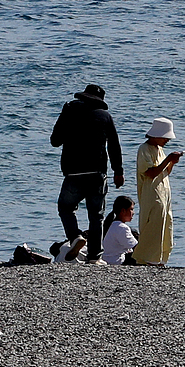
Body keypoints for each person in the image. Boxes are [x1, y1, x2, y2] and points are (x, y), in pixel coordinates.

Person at [50, 84, 124, 260]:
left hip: (73, 172)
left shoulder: (70, 112)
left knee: (65, 208)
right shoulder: (105, 116)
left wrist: (66, 118)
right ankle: (94, 256)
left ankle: (75, 237)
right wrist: (118, 171)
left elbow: (55, 140)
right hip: (97, 173)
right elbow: (114, 145)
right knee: (96, 216)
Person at [132, 117, 182, 266]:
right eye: (165, 137)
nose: (167, 141)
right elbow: (150, 173)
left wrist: (172, 162)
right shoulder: (144, 149)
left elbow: (165, 172)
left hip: (164, 192)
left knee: (166, 224)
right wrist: (168, 160)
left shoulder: (159, 149)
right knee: (153, 224)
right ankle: (148, 258)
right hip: (152, 193)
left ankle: (160, 258)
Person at [102, 196, 138, 265]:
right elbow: (136, 247)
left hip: (108, 259)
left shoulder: (112, 225)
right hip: (117, 261)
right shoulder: (122, 228)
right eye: (131, 209)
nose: (133, 213)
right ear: (123, 211)